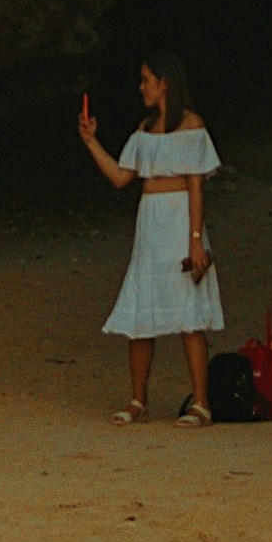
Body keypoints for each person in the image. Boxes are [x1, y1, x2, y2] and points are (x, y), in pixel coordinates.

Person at [75, 59, 225, 421]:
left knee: (188, 311)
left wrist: (194, 238)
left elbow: (195, 185)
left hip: (179, 220)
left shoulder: (191, 125)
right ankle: (138, 399)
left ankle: (201, 402)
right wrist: (91, 141)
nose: (141, 87)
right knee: (143, 307)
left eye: (146, 80)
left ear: (165, 83)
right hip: (151, 221)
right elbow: (121, 177)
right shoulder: (145, 128)